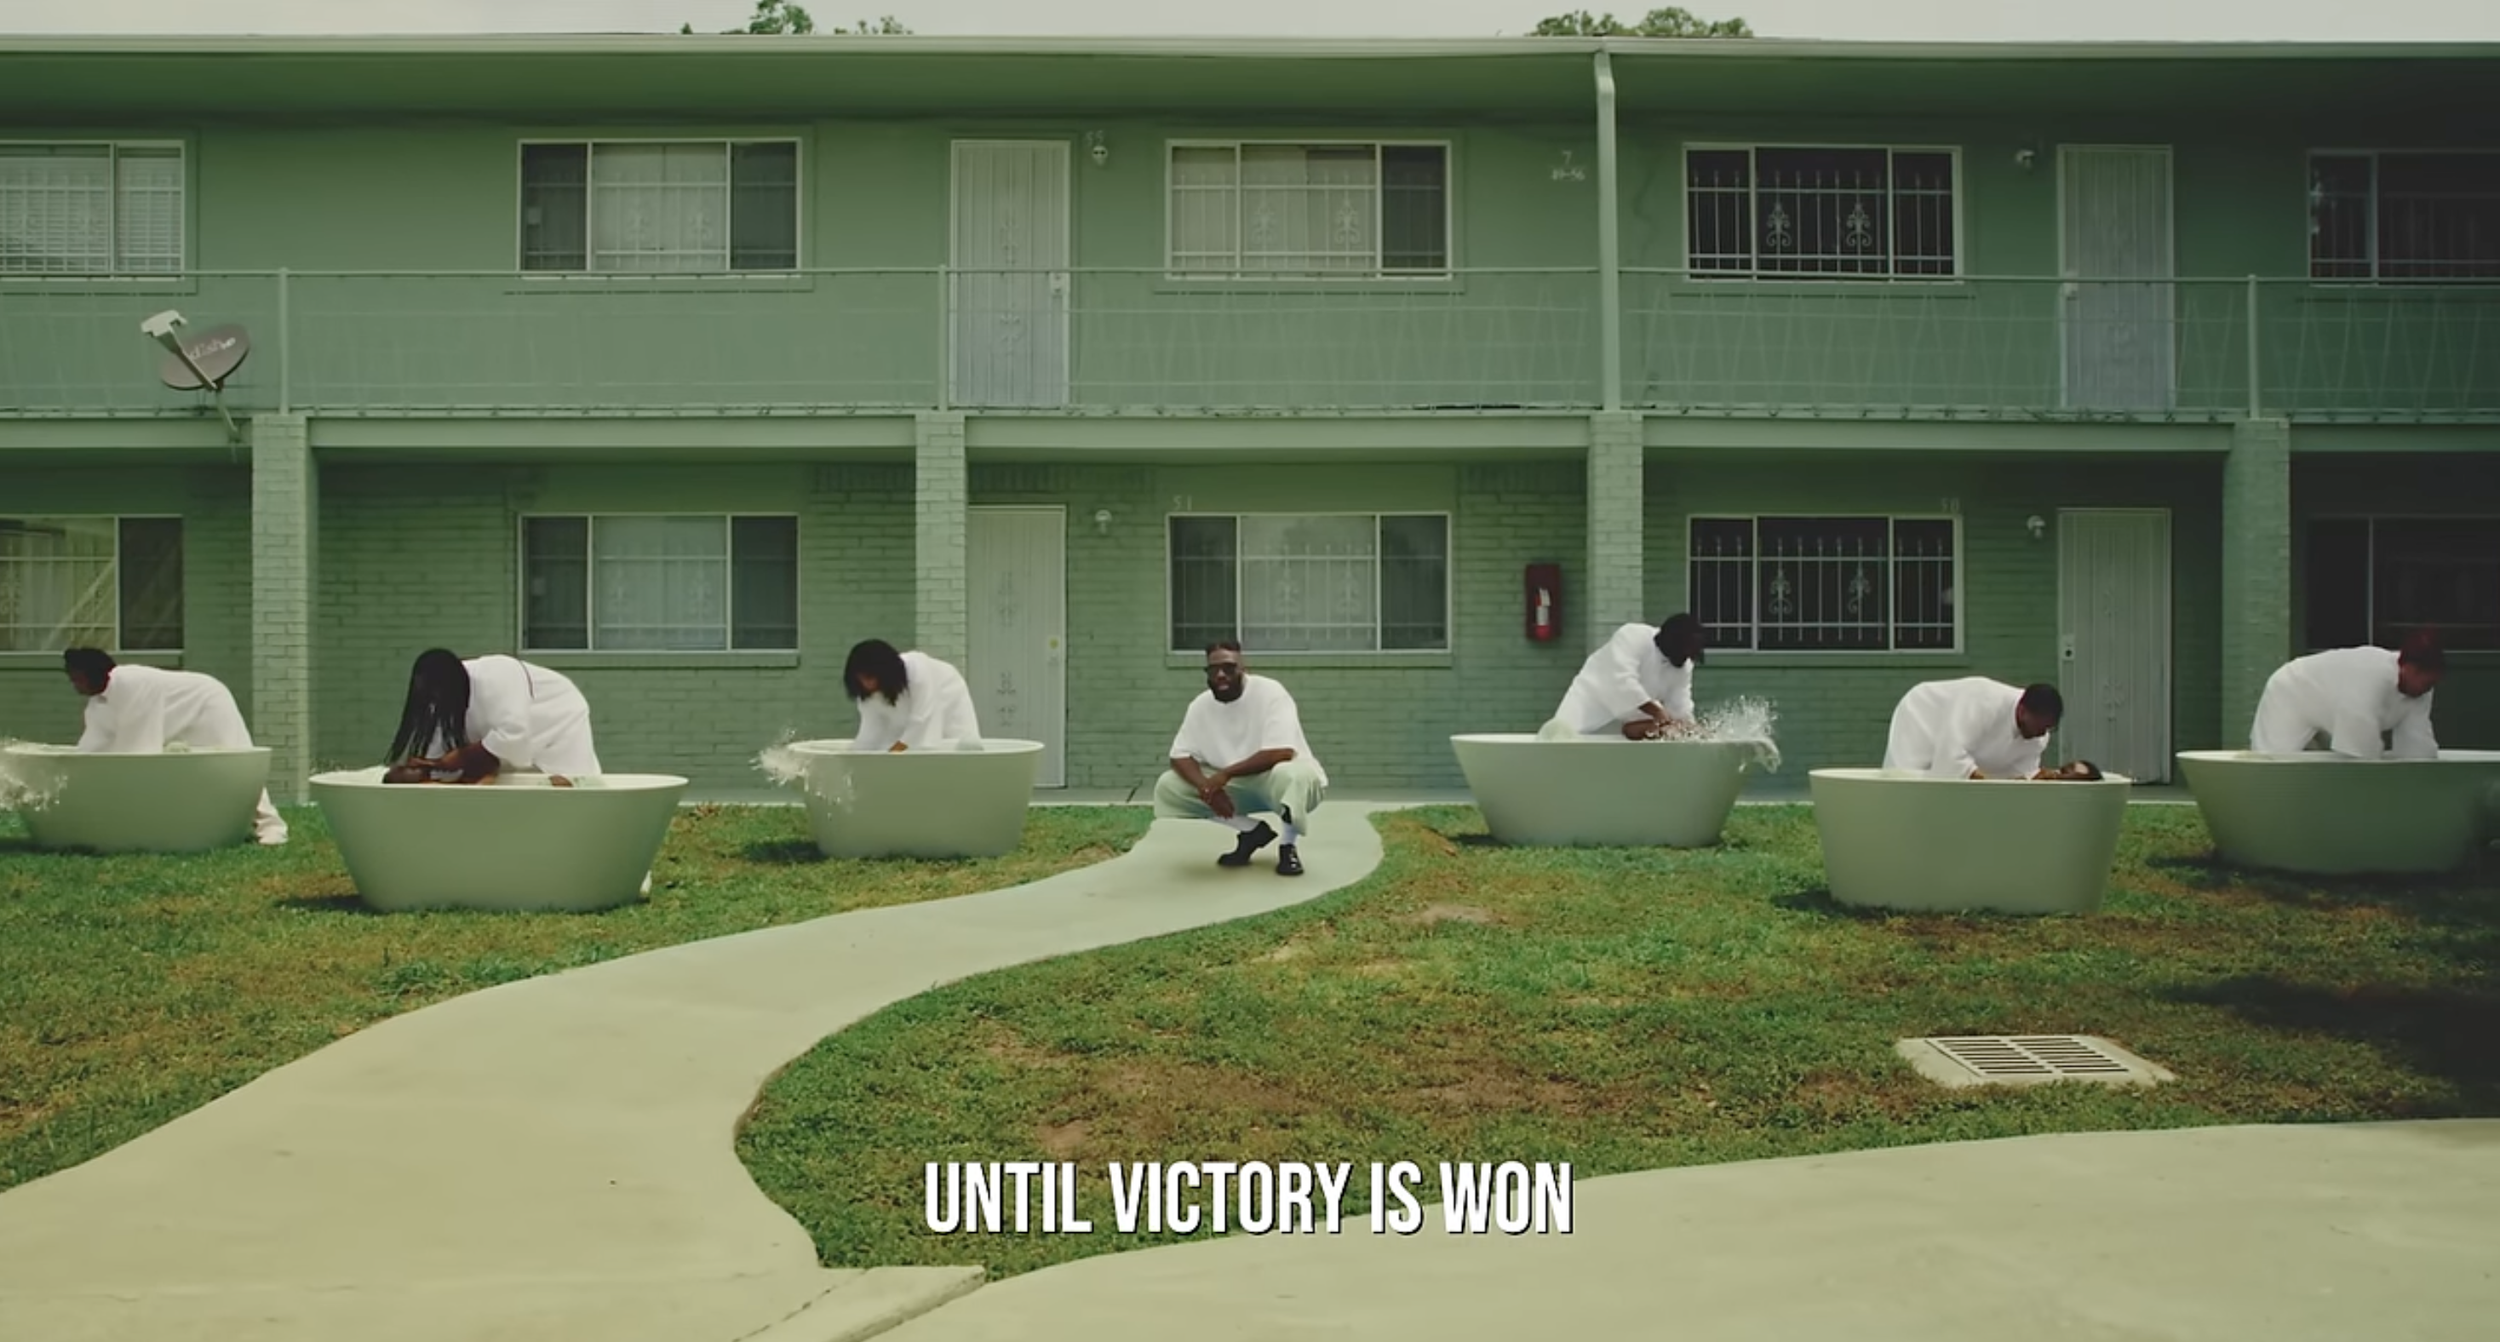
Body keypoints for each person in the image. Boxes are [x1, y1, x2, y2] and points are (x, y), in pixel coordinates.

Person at [63, 648, 287, 845]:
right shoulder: (98, 704)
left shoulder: (128, 682)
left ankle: (272, 827)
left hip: (206, 701)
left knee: (236, 762)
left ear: (94, 673)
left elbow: (135, 751)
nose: (75, 685)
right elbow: (92, 747)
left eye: (77, 679)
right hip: (176, 713)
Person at [1154, 641, 1328, 876]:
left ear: (1243, 668)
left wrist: (1224, 775)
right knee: (1169, 785)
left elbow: (1281, 752)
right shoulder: (1200, 705)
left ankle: (1288, 847)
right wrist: (1207, 787)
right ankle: (1252, 831)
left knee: (1291, 775)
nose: (1221, 675)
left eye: (1229, 668)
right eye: (1213, 670)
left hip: (1274, 779)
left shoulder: (1271, 692)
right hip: (1235, 786)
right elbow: (1179, 755)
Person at [383, 649, 601, 786]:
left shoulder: (497, 674)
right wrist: (430, 766)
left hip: (556, 715)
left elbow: (514, 734)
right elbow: (440, 754)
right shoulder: (439, 695)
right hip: (506, 736)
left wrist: (462, 757)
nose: (436, 704)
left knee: (572, 783)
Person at [2249, 632, 2442, 760]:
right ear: (2407, 667)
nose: (2426, 689)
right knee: (2272, 760)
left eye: (2431, 684)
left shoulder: (2422, 691)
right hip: (2291, 690)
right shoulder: (2371, 675)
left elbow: (2417, 745)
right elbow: (2360, 750)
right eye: (2424, 682)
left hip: (2329, 704)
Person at [1543, 613, 1706, 741]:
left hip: (1631, 718)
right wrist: (1657, 712)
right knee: (1562, 738)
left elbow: (1680, 704)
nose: (1686, 660)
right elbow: (1623, 682)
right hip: (1591, 703)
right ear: (1672, 643)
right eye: (1685, 653)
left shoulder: (1683, 667)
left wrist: (1690, 728)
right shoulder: (1633, 636)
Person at [1882, 677, 2064, 780]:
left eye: (2049, 728)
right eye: (2040, 726)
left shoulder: (2039, 735)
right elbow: (1951, 752)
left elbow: (2021, 774)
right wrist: (1984, 783)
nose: (2042, 734)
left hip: (1968, 745)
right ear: (2023, 711)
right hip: (1923, 715)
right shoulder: (1983, 701)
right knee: (1904, 779)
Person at [842, 639, 983, 752]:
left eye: (869, 677)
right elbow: (870, 726)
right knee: (892, 743)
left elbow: (922, 717)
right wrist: (856, 753)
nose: (867, 684)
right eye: (861, 678)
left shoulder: (919, 671)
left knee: (957, 743)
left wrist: (897, 750)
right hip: (911, 714)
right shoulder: (867, 692)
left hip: (947, 694)